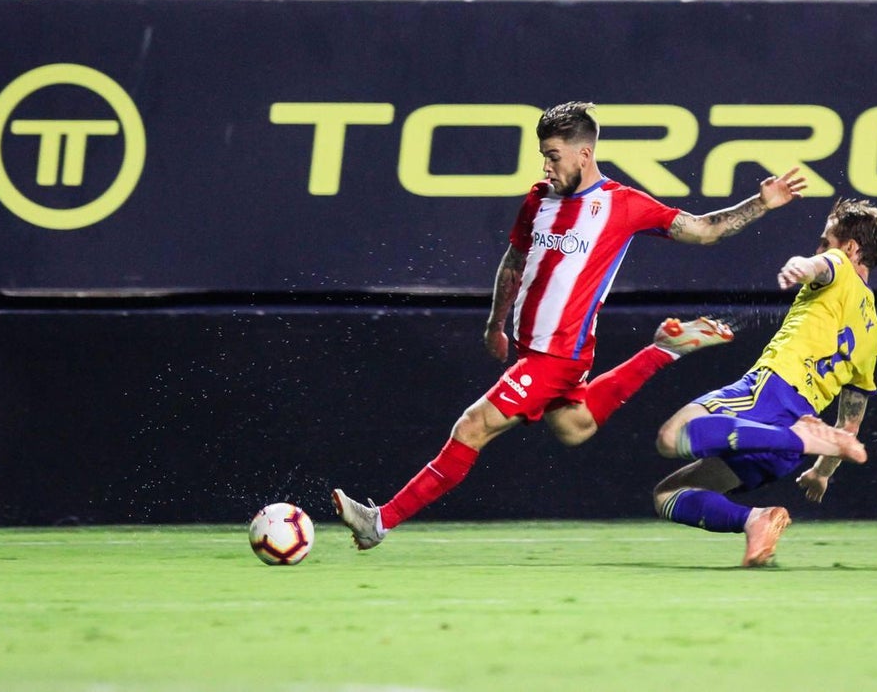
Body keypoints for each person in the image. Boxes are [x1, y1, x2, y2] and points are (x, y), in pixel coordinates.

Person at [332, 101, 808, 550]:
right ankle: (664, 350)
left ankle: (380, 522)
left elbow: (703, 230)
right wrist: (495, 323)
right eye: (544, 156)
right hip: (531, 349)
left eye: (554, 156)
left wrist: (761, 203)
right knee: (573, 426)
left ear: (584, 154)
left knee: (472, 427)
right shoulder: (538, 199)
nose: (546, 166)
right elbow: (514, 262)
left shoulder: (622, 205)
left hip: (556, 354)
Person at [652, 198, 877, 567]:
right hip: (783, 445)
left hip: (771, 395)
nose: (820, 248)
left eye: (825, 241)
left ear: (850, 248)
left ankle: (801, 438)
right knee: (669, 494)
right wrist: (820, 473)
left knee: (671, 437)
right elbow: (848, 427)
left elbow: (819, 265)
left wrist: (800, 266)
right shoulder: (873, 336)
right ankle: (756, 520)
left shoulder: (838, 264)